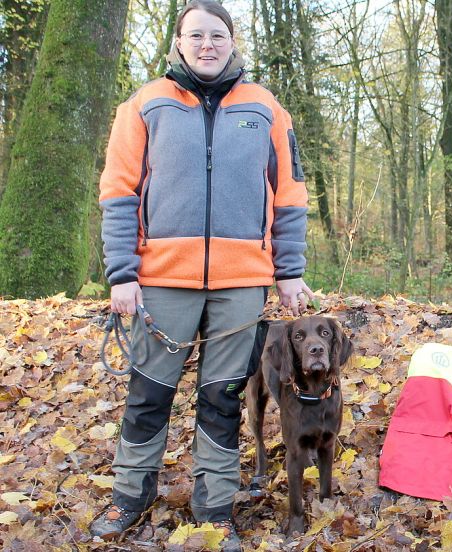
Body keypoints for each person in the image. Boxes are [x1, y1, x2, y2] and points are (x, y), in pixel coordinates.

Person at [90, 2, 312, 550]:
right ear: (179, 42)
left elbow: (290, 198)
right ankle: (128, 501)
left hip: (241, 284)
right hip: (161, 279)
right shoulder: (143, 106)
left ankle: (215, 511)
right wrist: (122, 274)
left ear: (232, 42)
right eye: (196, 35)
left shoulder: (266, 110)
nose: (207, 44)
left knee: (223, 398)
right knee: (147, 395)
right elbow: (119, 194)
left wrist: (290, 272)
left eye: (217, 35)